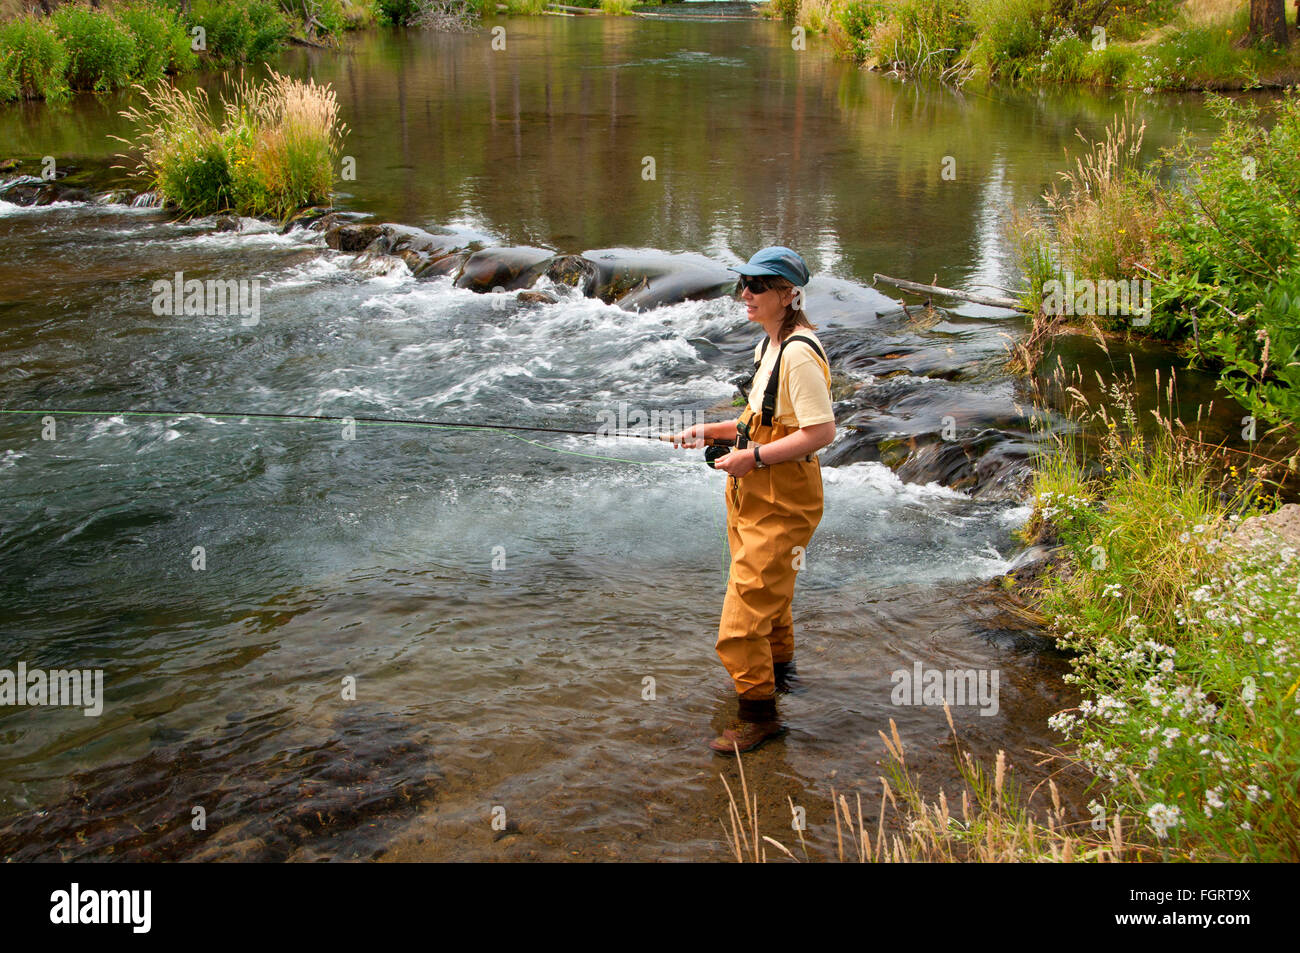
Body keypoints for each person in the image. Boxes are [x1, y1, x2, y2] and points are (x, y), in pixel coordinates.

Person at [673, 246, 836, 754]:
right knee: (772, 596)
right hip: (752, 494)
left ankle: (759, 717)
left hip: (781, 496)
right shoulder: (771, 344)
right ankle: (782, 676)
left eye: (759, 286)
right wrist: (712, 430)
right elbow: (757, 417)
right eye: (744, 282)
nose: (746, 293)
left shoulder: (799, 354)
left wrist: (755, 458)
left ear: (788, 295)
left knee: (739, 622)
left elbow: (821, 431)